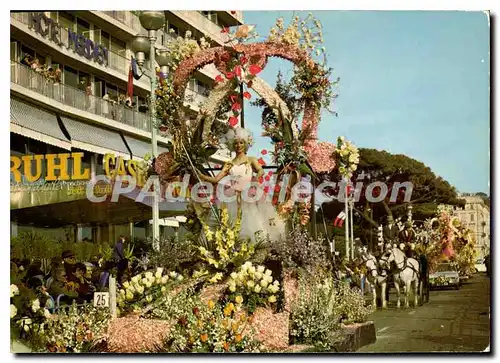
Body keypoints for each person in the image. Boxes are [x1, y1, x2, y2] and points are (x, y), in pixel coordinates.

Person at [197, 127, 285, 242]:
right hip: (231, 196)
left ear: (245, 144)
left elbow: (261, 171)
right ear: (233, 145)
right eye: (236, 143)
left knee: (251, 220)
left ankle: (250, 247)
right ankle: (231, 247)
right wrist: (202, 176)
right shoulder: (229, 164)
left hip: (247, 194)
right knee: (230, 222)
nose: (238, 145)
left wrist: (256, 179)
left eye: (241, 142)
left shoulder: (251, 160)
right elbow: (216, 179)